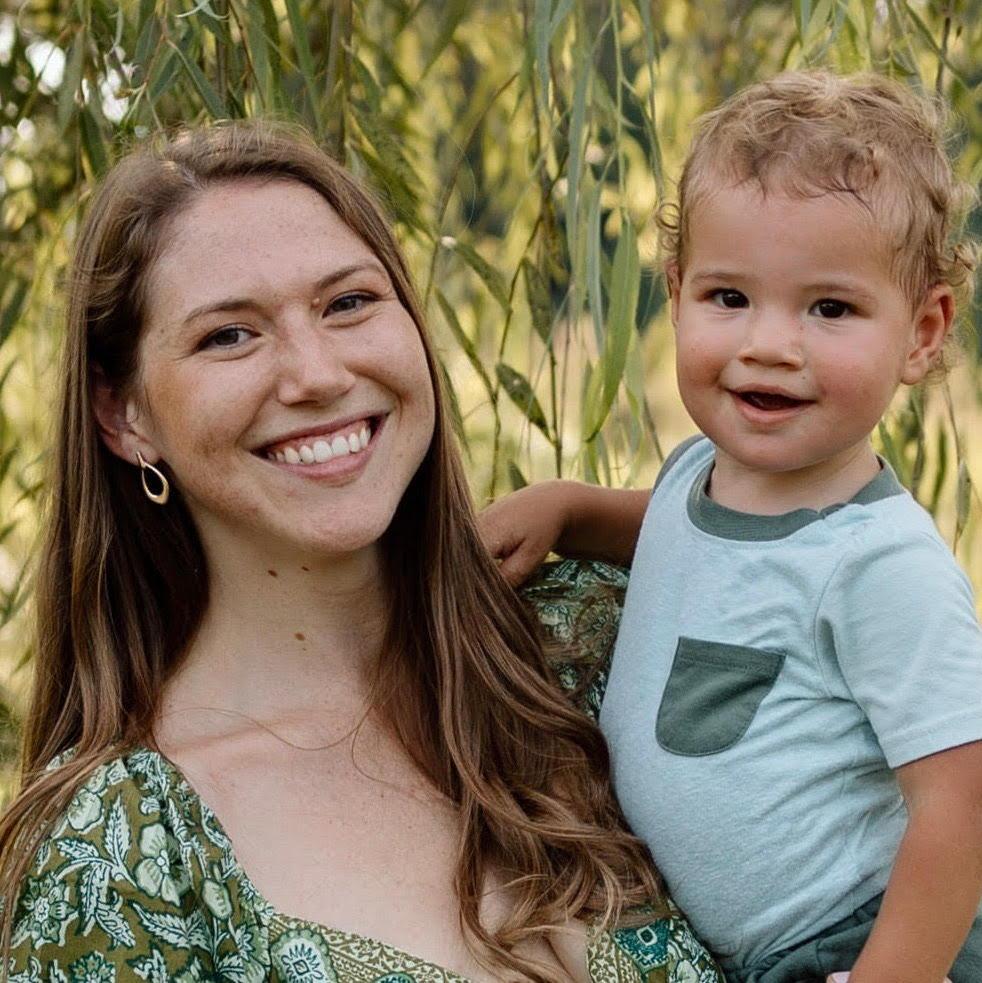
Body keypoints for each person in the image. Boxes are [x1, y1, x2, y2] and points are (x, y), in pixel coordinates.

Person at [0, 123, 724, 983]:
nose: (317, 373)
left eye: (347, 303)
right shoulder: (118, 854)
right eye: (228, 335)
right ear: (124, 416)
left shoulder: (591, 649)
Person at [480, 71, 982, 983]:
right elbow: (679, 540)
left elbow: (962, 801)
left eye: (830, 308)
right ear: (676, 294)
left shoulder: (880, 566)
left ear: (921, 331)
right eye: (729, 298)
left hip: (856, 940)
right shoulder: (696, 475)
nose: (768, 345)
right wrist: (570, 508)